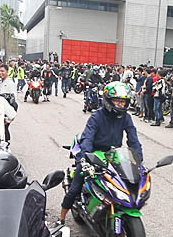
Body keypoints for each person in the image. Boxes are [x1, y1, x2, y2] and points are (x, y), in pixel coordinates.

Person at [58, 82, 142, 223]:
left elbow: (133, 139)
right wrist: (84, 159)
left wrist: (139, 160)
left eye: (123, 102)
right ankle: (61, 217)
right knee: (75, 187)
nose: (121, 105)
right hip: (93, 153)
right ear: (108, 100)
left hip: (114, 153)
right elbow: (88, 138)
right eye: (117, 101)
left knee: (123, 182)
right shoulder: (96, 116)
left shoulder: (126, 117)